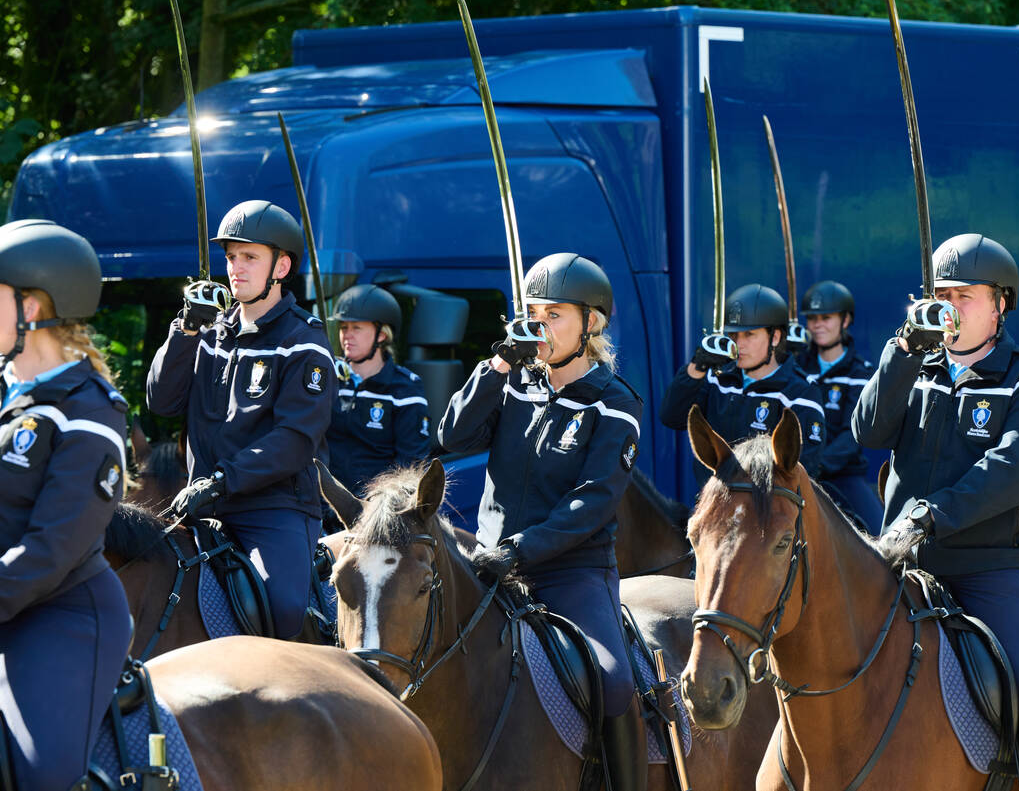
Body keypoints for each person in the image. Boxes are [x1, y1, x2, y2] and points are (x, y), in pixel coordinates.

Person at [852, 233, 1019, 790]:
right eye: (941, 294)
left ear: (1000, 305)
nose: (949, 306)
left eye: (965, 296)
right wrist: (903, 350)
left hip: (990, 566)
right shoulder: (914, 363)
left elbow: (1012, 470)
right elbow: (868, 430)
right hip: (901, 563)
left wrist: (933, 514)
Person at [438, 252, 646, 791]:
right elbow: (453, 436)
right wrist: (498, 365)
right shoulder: (512, 381)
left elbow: (592, 503)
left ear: (591, 323)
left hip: (570, 571)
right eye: (535, 314)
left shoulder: (614, 403)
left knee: (615, 682)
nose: (541, 326)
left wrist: (521, 549)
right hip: (488, 563)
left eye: (556, 315)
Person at [147, 200, 336, 639]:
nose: (236, 268)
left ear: (281, 267)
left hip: (272, 508)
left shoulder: (304, 341)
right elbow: (161, 401)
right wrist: (185, 330)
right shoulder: (209, 330)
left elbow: (295, 439)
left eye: (250, 257)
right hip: (202, 505)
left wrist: (221, 480)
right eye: (231, 257)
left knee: (285, 609)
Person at [0, 220, 132, 791]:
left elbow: (51, 550)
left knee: (40, 774)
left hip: (61, 615)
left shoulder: (91, 412)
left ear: (33, 309)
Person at [659, 283, 825, 487]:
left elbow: (805, 466)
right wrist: (697, 366)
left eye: (749, 334)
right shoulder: (715, 378)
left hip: (765, 511)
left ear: (775, 337)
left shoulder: (801, 392)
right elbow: (671, 417)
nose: (739, 344)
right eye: (734, 335)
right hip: (712, 504)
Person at [792, 280, 883, 532]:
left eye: (826, 317)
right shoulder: (797, 366)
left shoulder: (861, 373)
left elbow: (853, 434)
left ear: (845, 321)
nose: (817, 324)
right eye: (812, 318)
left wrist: (816, 465)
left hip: (842, 475)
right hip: (796, 473)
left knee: (880, 535)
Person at [326, 283, 430, 496]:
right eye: (344, 327)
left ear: (381, 335)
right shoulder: (328, 377)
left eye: (357, 328)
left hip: (377, 512)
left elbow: (410, 467)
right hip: (325, 505)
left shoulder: (405, 389)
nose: (347, 336)